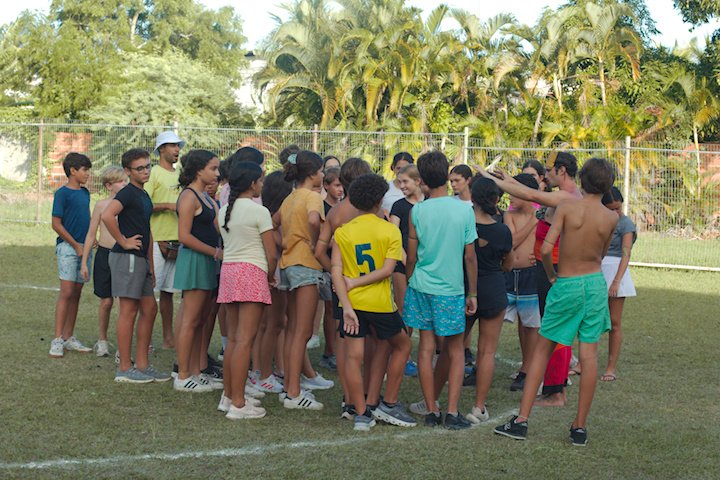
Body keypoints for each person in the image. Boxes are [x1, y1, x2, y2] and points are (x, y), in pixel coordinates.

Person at [494, 157, 618, 447]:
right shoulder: (611, 217)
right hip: (594, 285)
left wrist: (551, 275)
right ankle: (579, 427)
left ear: (582, 180)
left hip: (567, 283)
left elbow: (547, 249)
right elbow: (601, 252)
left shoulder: (567, 208)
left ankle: (521, 421)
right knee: (589, 356)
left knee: (542, 350)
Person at [477, 152, 582, 406]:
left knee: (554, 331)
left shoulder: (566, 197)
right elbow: (532, 194)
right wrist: (510, 179)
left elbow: (532, 196)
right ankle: (554, 388)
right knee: (551, 329)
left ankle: (556, 392)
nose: (545, 175)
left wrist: (492, 180)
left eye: (549, 170)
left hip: (554, 271)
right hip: (549, 270)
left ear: (562, 171)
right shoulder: (564, 194)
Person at [332, 173, 417, 431]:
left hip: (352, 305)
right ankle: (387, 403)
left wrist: (347, 304)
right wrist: (357, 283)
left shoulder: (343, 232)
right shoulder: (390, 230)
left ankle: (361, 413)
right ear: (380, 201)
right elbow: (388, 269)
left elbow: (336, 271)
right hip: (380, 304)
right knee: (402, 344)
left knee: (353, 357)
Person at [403, 151, 478, 430]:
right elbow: (470, 256)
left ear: (422, 179)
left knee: (425, 348)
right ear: (447, 175)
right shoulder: (464, 210)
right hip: (450, 289)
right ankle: (452, 412)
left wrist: (410, 279)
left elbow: (412, 256)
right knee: (455, 350)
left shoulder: (417, 211)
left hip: (421, 285)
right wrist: (473, 293)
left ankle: (432, 409)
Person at [102, 148, 170, 383]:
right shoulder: (128, 193)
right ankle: (124, 367)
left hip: (141, 260)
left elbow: (146, 230)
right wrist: (123, 241)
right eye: (140, 168)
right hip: (126, 258)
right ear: (128, 171)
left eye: (148, 166)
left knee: (150, 309)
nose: (145, 171)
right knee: (129, 311)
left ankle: (142, 365)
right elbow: (107, 216)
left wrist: (150, 263)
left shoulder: (143, 194)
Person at [314, 158, 373, 418]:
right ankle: (368, 396)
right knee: (369, 342)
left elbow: (319, 251)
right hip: (371, 285)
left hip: (345, 286)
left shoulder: (336, 212)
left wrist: (336, 276)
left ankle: (349, 398)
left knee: (345, 342)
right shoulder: (373, 211)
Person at [217, 161, 277, 419]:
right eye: (260, 180)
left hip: (229, 273)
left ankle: (229, 395)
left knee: (233, 340)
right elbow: (271, 253)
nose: (262, 184)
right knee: (245, 341)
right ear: (252, 184)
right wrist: (270, 276)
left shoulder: (223, 211)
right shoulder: (259, 211)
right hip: (251, 272)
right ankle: (239, 404)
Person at [275, 150, 333, 410]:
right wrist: (317, 241)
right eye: (321, 171)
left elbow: (272, 223)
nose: (323, 175)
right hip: (306, 265)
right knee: (303, 331)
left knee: (293, 330)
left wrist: (285, 243)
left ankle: (290, 386)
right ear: (312, 174)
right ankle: (294, 393)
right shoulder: (312, 197)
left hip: (288, 265)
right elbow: (313, 220)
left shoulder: (289, 198)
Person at [463, 178, 513, 424]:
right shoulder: (502, 230)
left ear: (472, 196)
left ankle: (441, 403)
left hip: (464, 289)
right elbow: (509, 264)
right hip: (493, 289)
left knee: (453, 348)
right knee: (487, 351)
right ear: (496, 200)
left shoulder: (462, 225)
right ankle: (479, 406)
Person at [172, 150, 222, 393]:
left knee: (200, 319)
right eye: (213, 168)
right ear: (199, 170)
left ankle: (194, 370)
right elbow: (184, 236)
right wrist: (215, 252)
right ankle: (182, 375)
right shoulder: (189, 196)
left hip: (206, 261)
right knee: (190, 319)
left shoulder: (206, 197)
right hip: (194, 260)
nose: (217, 173)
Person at [251, 172, 293, 393]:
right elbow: (281, 244)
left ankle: (265, 370)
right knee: (270, 324)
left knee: (272, 324)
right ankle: (262, 373)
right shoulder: (269, 216)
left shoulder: (270, 214)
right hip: (272, 274)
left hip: (272, 273)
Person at [80, 166, 128, 357]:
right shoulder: (101, 205)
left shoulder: (129, 205)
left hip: (123, 255)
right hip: (104, 255)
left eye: (125, 181)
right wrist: (84, 262)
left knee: (122, 302)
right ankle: (102, 340)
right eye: (120, 181)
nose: (124, 184)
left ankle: (123, 347)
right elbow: (91, 234)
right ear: (109, 185)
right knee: (106, 301)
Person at [49, 152, 93, 358]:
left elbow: (87, 218)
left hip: (85, 248)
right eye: (85, 170)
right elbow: (56, 224)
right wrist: (75, 245)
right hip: (68, 248)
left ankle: (68, 337)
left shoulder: (85, 193)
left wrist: (91, 240)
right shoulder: (62, 194)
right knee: (66, 292)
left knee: (77, 293)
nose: (88, 174)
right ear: (73, 171)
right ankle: (57, 339)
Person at [502, 173, 542, 391]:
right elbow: (511, 242)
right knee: (518, 323)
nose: (509, 197)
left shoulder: (541, 214)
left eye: (514, 193)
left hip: (530, 276)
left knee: (532, 325)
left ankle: (528, 369)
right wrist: (532, 224)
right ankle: (526, 366)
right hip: (511, 275)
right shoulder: (510, 215)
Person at [146, 131, 185, 350]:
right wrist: (168, 206)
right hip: (156, 238)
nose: (177, 149)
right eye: (172, 145)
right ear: (161, 149)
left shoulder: (181, 174)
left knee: (169, 292)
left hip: (178, 240)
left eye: (178, 145)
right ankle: (146, 338)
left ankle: (168, 338)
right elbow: (144, 204)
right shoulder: (153, 173)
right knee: (150, 291)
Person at [598, 186, 637, 381]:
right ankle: (581, 363)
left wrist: (616, 282)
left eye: (618, 208)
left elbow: (626, 253)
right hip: (596, 270)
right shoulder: (598, 220)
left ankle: (610, 368)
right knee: (591, 320)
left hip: (616, 272)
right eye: (611, 209)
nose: (616, 212)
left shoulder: (626, 224)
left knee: (614, 322)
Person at [389, 164, 423, 377]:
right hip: (402, 265)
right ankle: (404, 355)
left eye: (405, 182)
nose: (401, 186)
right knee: (405, 308)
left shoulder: (427, 205)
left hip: (424, 265)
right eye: (399, 182)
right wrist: (406, 259)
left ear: (417, 181)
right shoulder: (399, 206)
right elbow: (393, 235)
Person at [318, 167, 344, 370]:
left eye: (342, 185)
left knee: (339, 309)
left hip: (341, 264)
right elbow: (319, 240)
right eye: (336, 185)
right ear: (326, 185)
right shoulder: (321, 208)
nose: (340, 189)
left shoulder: (344, 207)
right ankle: (330, 351)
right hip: (325, 264)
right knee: (330, 309)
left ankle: (338, 349)